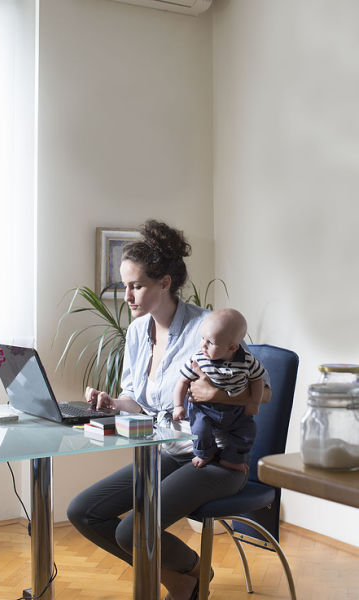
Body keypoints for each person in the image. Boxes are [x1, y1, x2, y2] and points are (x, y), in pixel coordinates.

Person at [67, 220, 271, 600]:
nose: (126, 294)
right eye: (124, 284)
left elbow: (265, 393)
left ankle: (190, 574)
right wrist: (112, 403)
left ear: (164, 283)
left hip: (217, 460)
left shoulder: (207, 329)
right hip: (164, 454)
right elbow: (136, 400)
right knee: (83, 511)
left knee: (131, 532)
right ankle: (185, 577)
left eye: (136, 285)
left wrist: (213, 395)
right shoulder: (136, 332)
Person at [173, 308, 265, 472]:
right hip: (204, 409)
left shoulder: (248, 362)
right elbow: (182, 382)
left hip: (236, 410)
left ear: (233, 348)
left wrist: (254, 402)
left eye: (211, 342)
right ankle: (205, 452)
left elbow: (257, 381)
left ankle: (233, 459)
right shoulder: (198, 359)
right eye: (202, 339)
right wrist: (178, 406)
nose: (203, 345)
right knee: (200, 429)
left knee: (248, 431)